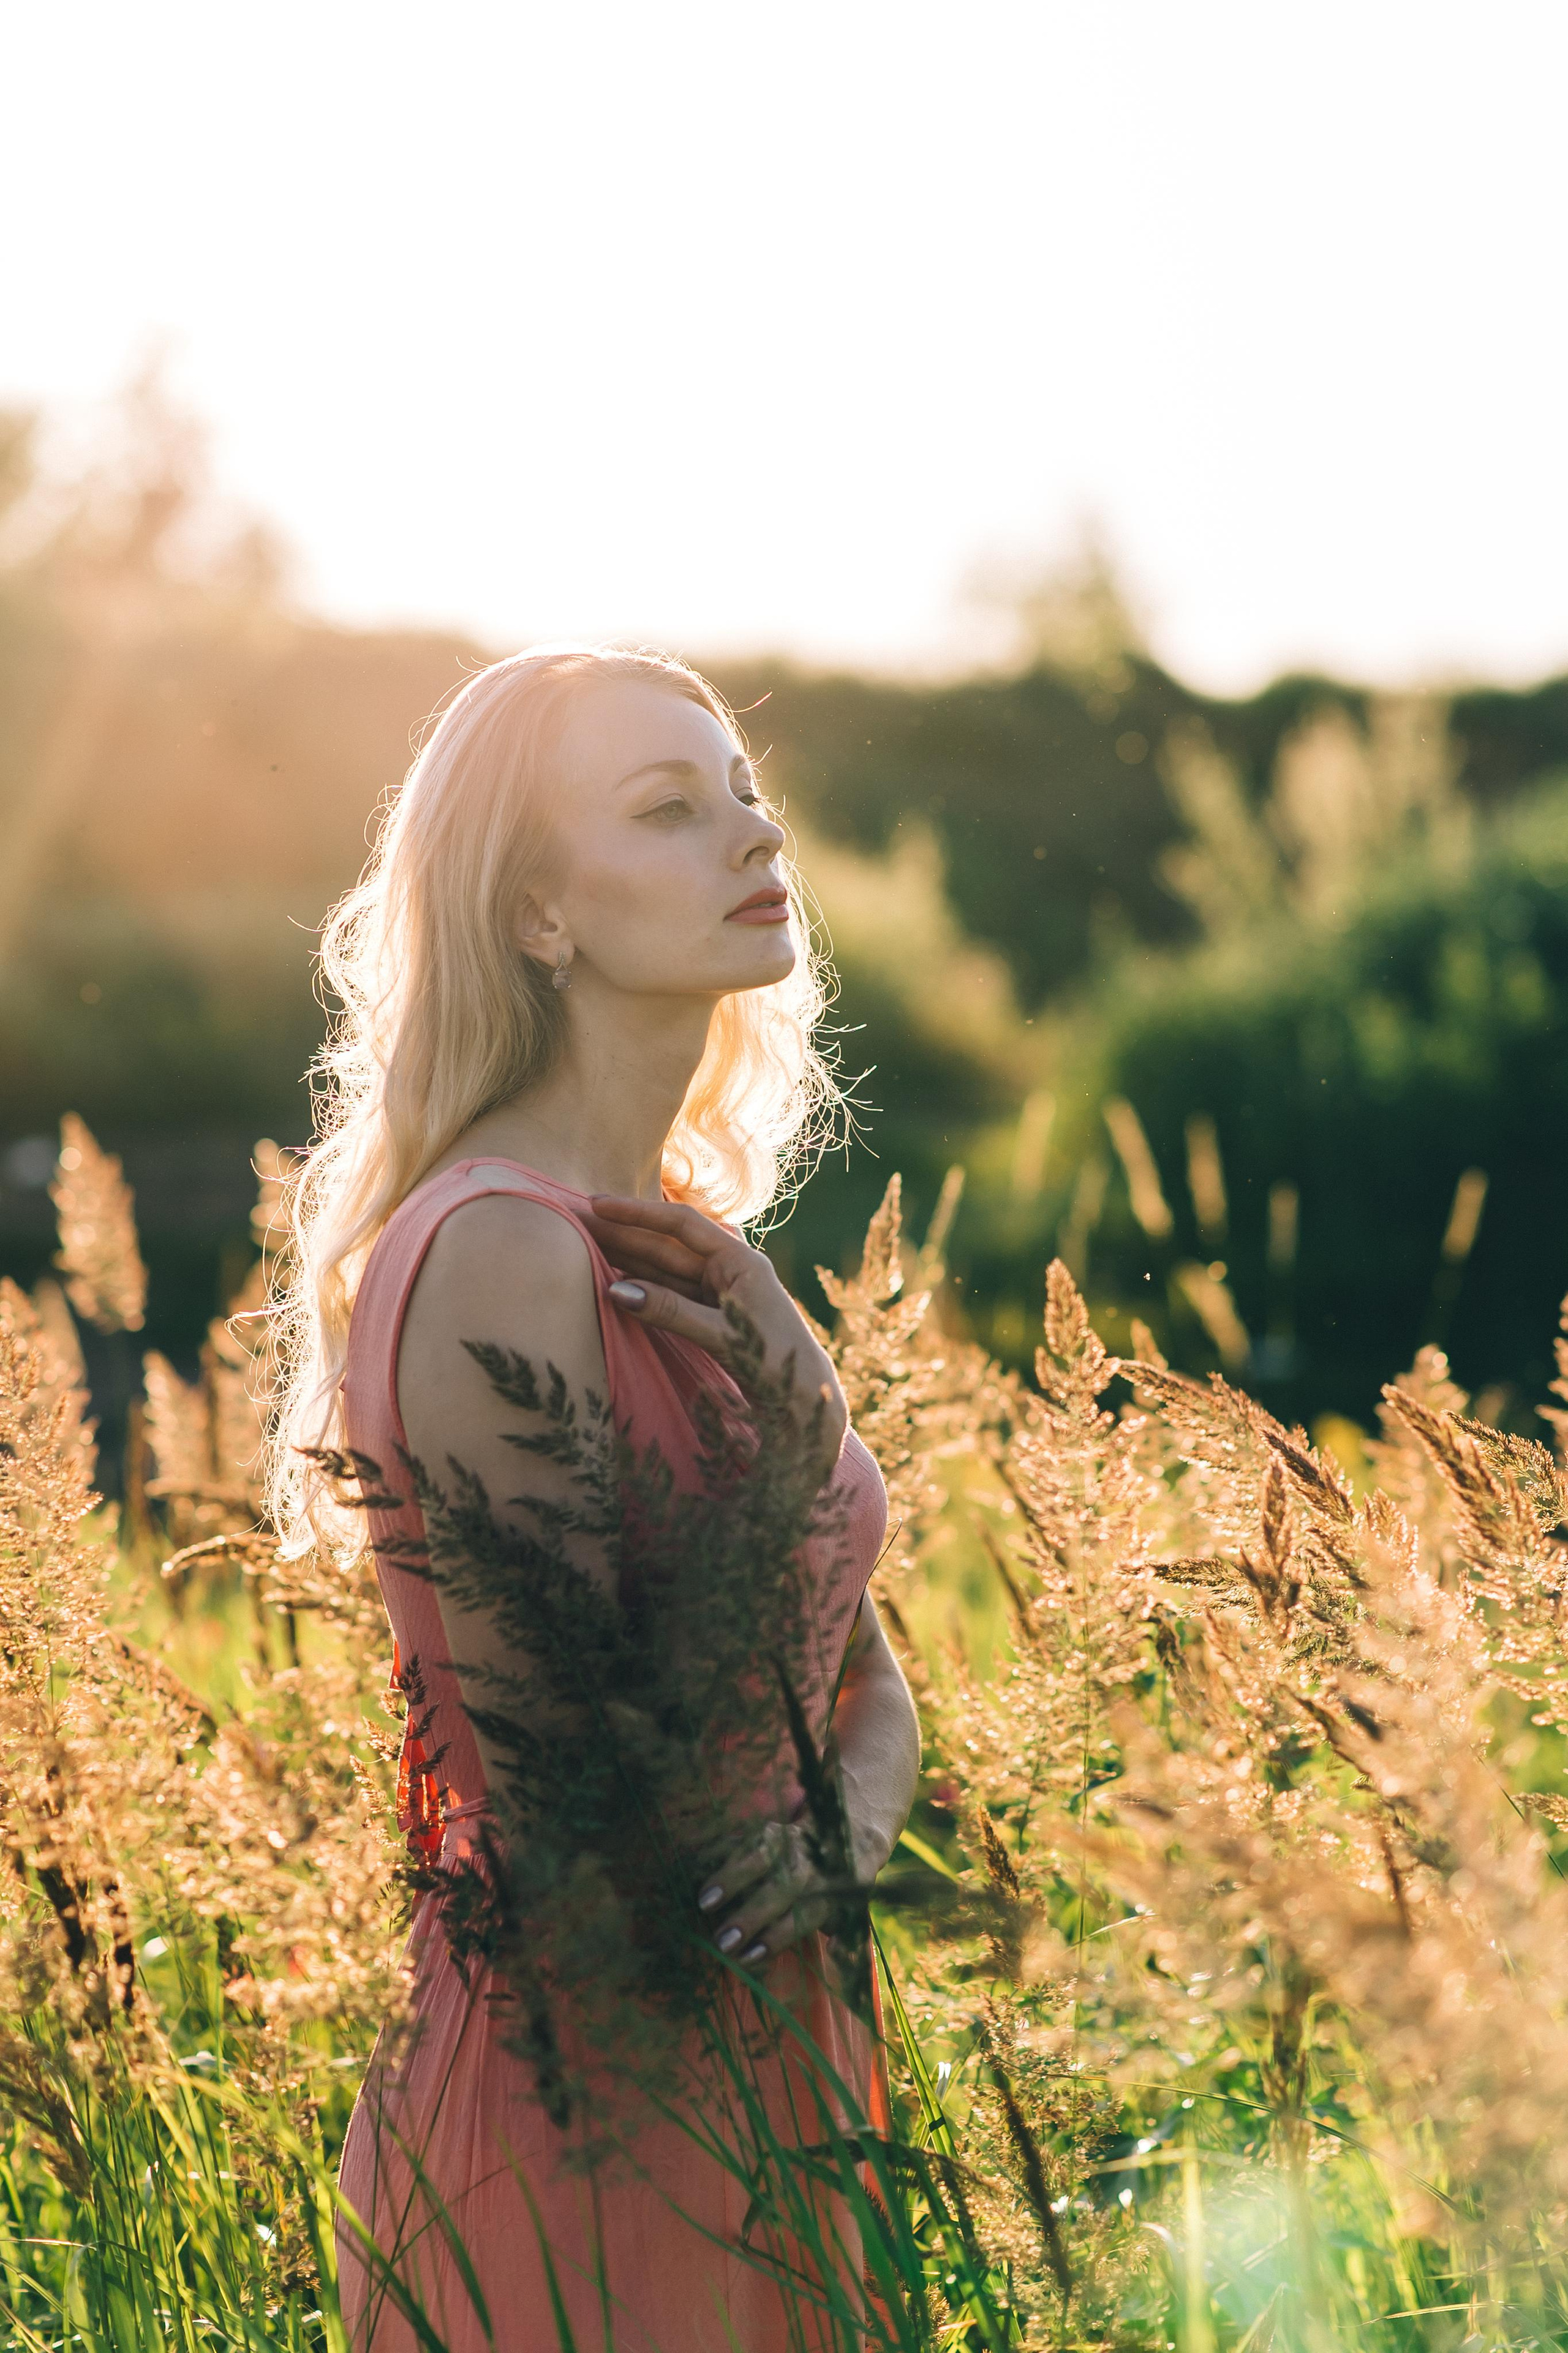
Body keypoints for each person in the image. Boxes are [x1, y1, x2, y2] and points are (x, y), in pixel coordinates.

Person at [268, 646, 921, 2350]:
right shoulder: (501, 1247)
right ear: (538, 914)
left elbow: (867, 1691)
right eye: (669, 808)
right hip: (594, 2120)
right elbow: (589, 1788)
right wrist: (808, 1439)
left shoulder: (679, 1242)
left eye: (747, 795)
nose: (754, 834)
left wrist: (839, 1844)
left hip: (777, 2062)